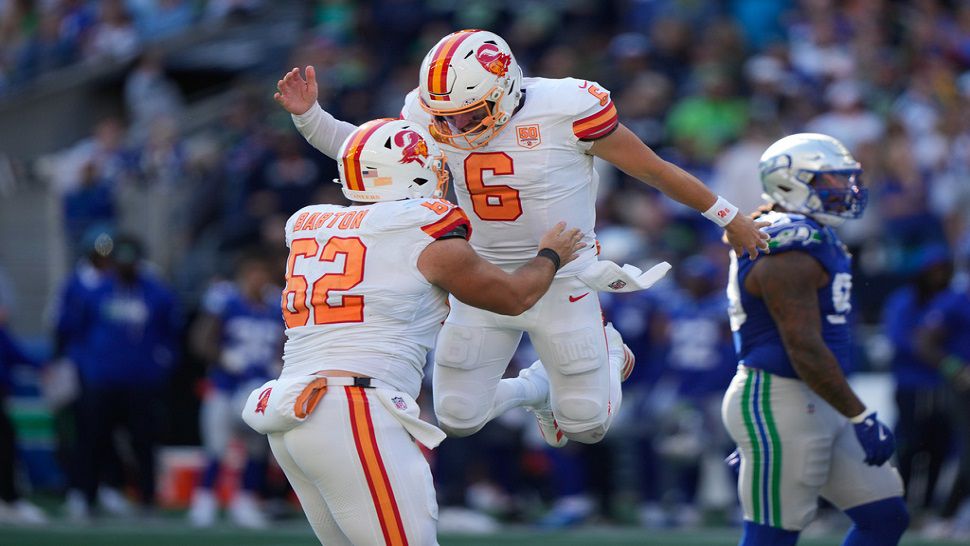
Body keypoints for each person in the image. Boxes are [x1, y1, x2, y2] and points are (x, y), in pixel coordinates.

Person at [274, 29, 769, 447]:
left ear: (506, 86)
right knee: (457, 416)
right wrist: (308, 116)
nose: (454, 126)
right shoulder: (431, 116)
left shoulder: (566, 108)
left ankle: (609, 351)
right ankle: (536, 389)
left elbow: (655, 171)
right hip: (482, 275)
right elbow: (369, 153)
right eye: (444, 115)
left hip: (563, 271)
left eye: (468, 112)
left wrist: (728, 216)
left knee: (588, 424)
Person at [241, 119, 583, 545]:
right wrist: (551, 254)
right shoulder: (423, 230)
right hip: (353, 408)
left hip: (293, 409)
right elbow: (515, 297)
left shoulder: (311, 223)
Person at [722, 133, 908, 545]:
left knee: (885, 514)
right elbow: (803, 346)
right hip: (780, 396)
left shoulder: (812, 234)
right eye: (831, 181)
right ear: (791, 183)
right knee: (774, 534)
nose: (845, 190)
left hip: (816, 397)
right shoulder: (789, 244)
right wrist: (860, 414)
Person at [62, 234, 180, 516]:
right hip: (101, 380)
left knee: (143, 442)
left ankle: (147, 499)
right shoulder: (94, 291)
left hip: (141, 381)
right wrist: (86, 365)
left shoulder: (157, 293)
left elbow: (172, 333)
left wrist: (159, 366)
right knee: (92, 439)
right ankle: (85, 494)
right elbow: (73, 330)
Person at [187, 249, 283, 528]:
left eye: (262, 274)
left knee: (256, 448)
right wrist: (223, 357)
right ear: (242, 276)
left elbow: (287, 341)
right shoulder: (226, 300)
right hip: (225, 387)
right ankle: (204, 499)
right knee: (216, 446)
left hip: (257, 389)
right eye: (252, 273)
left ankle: (245, 500)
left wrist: (281, 364)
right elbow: (200, 340)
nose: (257, 279)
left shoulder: (275, 303)